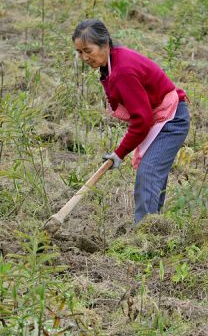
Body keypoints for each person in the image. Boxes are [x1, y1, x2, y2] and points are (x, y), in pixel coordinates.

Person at [72, 19, 190, 223]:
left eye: (87, 50)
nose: (84, 57)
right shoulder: (111, 63)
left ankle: (145, 234)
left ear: (105, 44)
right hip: (159, 118)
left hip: (172, 120)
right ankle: (153, 226)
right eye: (79, 52)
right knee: (151, 172)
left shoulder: (122, 71)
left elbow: (142, 120)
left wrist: (120, 153)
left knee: (149, 172)